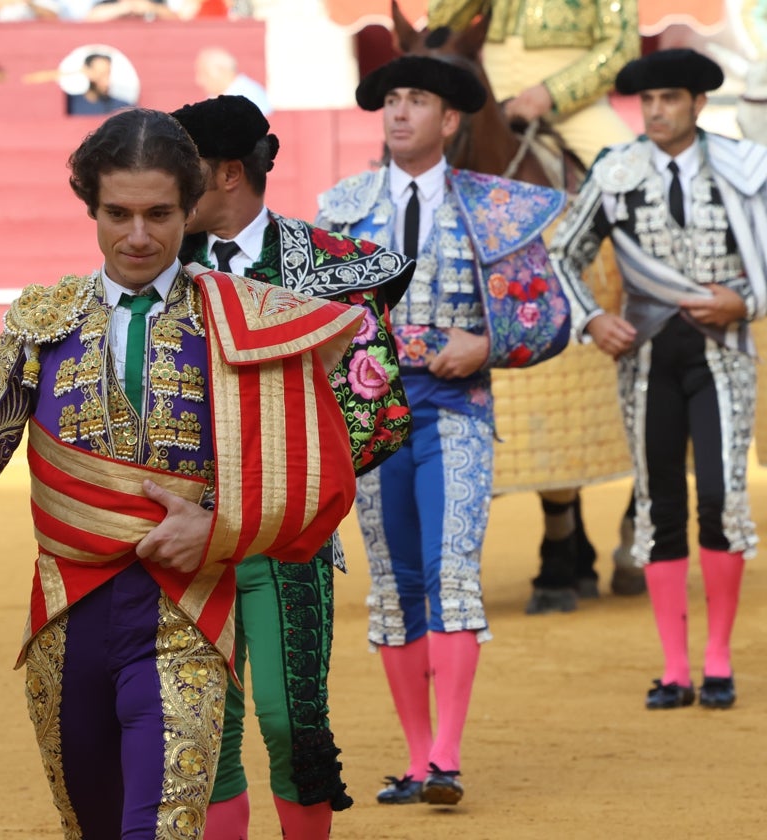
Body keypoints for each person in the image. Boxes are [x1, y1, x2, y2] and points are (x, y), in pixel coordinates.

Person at [0, 107, 369, 838]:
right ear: (90, 208)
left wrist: (218, 528)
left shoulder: (243, 320)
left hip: (185, 615)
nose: (139, 237)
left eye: (160, 214)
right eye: (117, 213)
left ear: (191, 211)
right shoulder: (41, 321)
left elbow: (318, 481)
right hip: (65, 618)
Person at [316, 55, 571, 806]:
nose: (398, 113)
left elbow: (547, 315)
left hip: (455, 409)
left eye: (415, 101)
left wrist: (487, 347)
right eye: (390, 101)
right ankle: (420, 757)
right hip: (373, 416)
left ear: (450, 120)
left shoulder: (496, 207)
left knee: (451, 571)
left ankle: (449, 757)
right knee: (396, 584)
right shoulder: (342, 208)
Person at [172, 94, 414, 839]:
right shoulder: (154, 278)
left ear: (228, 174)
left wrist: (281, 495)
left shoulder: (330, 270)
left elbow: (375, 412)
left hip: (286, 539)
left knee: (290, 721)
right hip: (179, 535)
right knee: (204, 730)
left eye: (181, 174)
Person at [548, 48, 765, 711]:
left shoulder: (743, 167)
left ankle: (718, 658)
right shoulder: (617, 171)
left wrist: (746, 304)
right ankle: (675, 668)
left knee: (724, 497)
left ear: (699, 104)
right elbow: (564, 253)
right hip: (645, 360)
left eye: (670, 98)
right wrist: (590, 321)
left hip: (721, 354)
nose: (657, 111)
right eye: (648, 101)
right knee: (660, 500)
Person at [425, 0, 644, 613]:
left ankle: (656, 317)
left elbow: (619, 46)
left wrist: (549, 94)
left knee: (637, 191)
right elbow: (443, 23)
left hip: (571, 108)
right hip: (484, 93)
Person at [193, 46, 272, 116]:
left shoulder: (249, 96)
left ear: (222, 71)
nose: (199, 80)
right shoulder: (216, 97)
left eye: (205, 73)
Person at [66, 53, 133, 116]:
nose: (106, 82)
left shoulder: (124, 108)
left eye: (107, 74)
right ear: (87, 72)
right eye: (100, 75)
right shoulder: (70, 103)